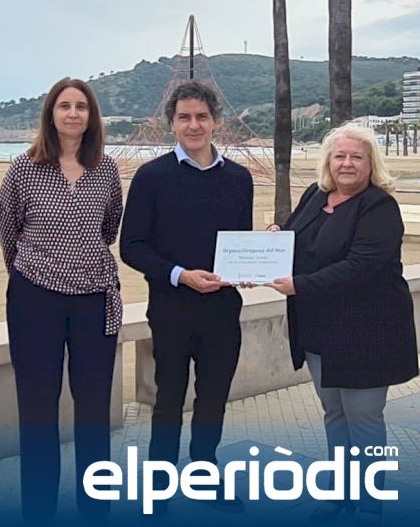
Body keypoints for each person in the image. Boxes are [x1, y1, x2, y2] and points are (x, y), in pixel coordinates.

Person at [267, 123, 418, 523]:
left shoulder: (379, 207)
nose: (347, 163)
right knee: (334, 414)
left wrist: (298, 285)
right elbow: (294, 239)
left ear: (371, 163)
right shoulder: (315, 195)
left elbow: (359, 266)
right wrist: (273, 241)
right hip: (319, 330)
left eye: (356, 156)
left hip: (367, 333)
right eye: (340, 156)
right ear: (328, 161)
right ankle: (339, 493)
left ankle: (369, 505)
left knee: (364, 419)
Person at [120, 80, 253, 516]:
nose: (193, 125)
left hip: (223, 309)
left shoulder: (239, 179)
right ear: (172, 124)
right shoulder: (151, 176)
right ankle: (159, 483)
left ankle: (204, 475)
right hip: (171, 308)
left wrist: (248, 271)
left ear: (216, 122)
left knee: (213, 399)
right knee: (169, 399)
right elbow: (131, 246)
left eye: (201, 117)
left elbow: (239, 242)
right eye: (184, 117)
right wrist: (180, 275)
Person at [0, 78, 122, 522]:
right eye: (64, 106)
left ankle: (95, 511)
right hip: (35, 300)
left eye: (81, 107)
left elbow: (109, 228)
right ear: (50, 114)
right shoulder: (23, 168)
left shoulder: (106, 169)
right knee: (37, 410)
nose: (73, 113)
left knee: (94, 410)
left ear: (91, 116)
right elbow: (8, 232)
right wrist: (39, 273)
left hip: (93, 301)